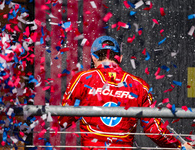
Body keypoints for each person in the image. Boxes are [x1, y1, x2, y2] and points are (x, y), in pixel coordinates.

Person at [58, 36, 193, 150]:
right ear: (120, 58)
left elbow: (63, 120)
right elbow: (154, 130)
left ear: (93, 58)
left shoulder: (82, 79)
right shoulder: (139, 85)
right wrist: (179, 146)